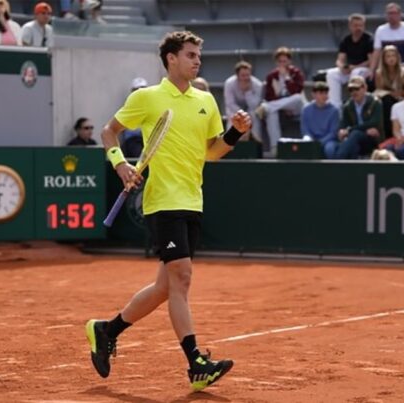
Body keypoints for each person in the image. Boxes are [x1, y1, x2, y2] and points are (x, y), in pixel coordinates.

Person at [86, 31, 251, 391]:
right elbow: (109, 132)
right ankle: (196, 363)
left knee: (165, 287)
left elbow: (211, 152)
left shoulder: (206, 100)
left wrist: (235, 133)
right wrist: (120, 165)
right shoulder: (146, 97)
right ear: (171, 59)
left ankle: (106, 330)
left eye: (198, 56)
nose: (197, 60)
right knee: (182, 278)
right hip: (162, 201)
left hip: (193, 199)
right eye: (190, 55)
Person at [257, 47, 306, 156]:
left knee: (297, 98)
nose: (283, 64)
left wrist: (287, 78)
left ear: (290, 61)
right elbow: (269, 96)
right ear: (276, 62)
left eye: (285, 61)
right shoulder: (271, 76)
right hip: (280, 109)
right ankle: (276, 147)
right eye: (280, 61)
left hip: (296, 107)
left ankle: (267, 107)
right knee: (271, 113)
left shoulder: (296, 73)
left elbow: (297, 91)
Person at [326, 13, 374, 108]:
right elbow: (340, 59)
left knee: (356, 73)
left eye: (361, 25)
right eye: (356, 25)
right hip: (350, 69)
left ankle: (354, 104)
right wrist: (342, 67)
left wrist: (355, 67)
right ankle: (336, 106)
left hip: (364, 70)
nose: (358, 28)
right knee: (331, 73)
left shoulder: (369, 39)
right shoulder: (346, 40)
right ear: (350, 26)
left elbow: (371, 60)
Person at [336, 76, 384, 159]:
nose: (354, 92)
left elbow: (374, 122)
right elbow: (344, 124)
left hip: (373, 138)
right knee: (353, 143)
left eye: (357, 89)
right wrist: (342, 131)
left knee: (355, 134)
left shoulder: (375, 102)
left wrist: (350, 130)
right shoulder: (347, 106)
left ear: (365, 88)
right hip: (355, 138)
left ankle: (336, 164)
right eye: (351, 90)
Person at [370, 2, 404, 72]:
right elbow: (377, 51)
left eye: (394, 13)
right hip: (387, 67)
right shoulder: (380, 30)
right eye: (389, 13)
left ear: (399, 15)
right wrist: (371, 70)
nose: (391, 16)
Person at [224, 61, 263, 143]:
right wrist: (242, 114)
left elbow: (254, 105)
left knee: (255, 117)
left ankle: (256, 146)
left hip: (251, 112)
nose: (246, 78)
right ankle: (230, 147)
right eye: (243, 75)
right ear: (237, 75)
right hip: (235, 112)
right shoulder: (229, 83)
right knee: (232, 118)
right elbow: (230, 103)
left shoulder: (257, 85)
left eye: (248, 75)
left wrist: (247, 92)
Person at [300, 82, 340, 159]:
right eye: (321, 93)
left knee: (330, 149)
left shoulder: (334, 111)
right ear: (313, 94)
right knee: (305, 143)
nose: (324, 96)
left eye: (326, 93)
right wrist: (311, 141)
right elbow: (305, 130)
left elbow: (333, 133)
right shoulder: (306, 109)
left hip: (328, 141)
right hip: (311, 140)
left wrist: (320, 142)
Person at [374, 45, 404, 138]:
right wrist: (391, 94)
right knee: (386, 101)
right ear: (384, 59)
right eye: (388, 56)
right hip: (387, 101)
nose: (391, 59)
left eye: (393, 56)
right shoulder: (379, 73)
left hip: (401, 99)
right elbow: (379, 90)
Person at [119, 78, 148, 158]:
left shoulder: (151, 104)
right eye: (137, 89)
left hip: (148, 141)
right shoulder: (129, 105)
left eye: (143, 89)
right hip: (133, 140)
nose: (140, 91)